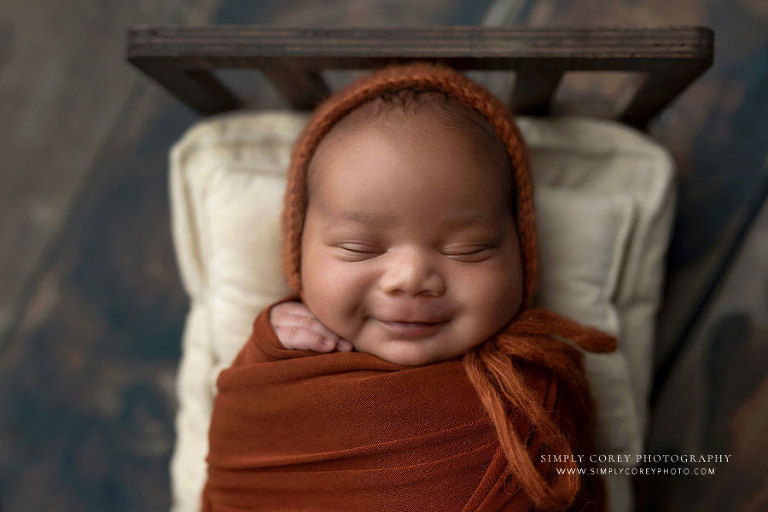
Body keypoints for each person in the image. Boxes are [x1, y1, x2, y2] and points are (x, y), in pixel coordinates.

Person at [201, 63, 616, 511]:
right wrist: (268, 347)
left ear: (524, 255)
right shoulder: (284, 354)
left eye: (467, 249)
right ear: (297, 258)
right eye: (359, 248)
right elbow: (242, 447)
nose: (411, 278)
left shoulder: (534, 389)